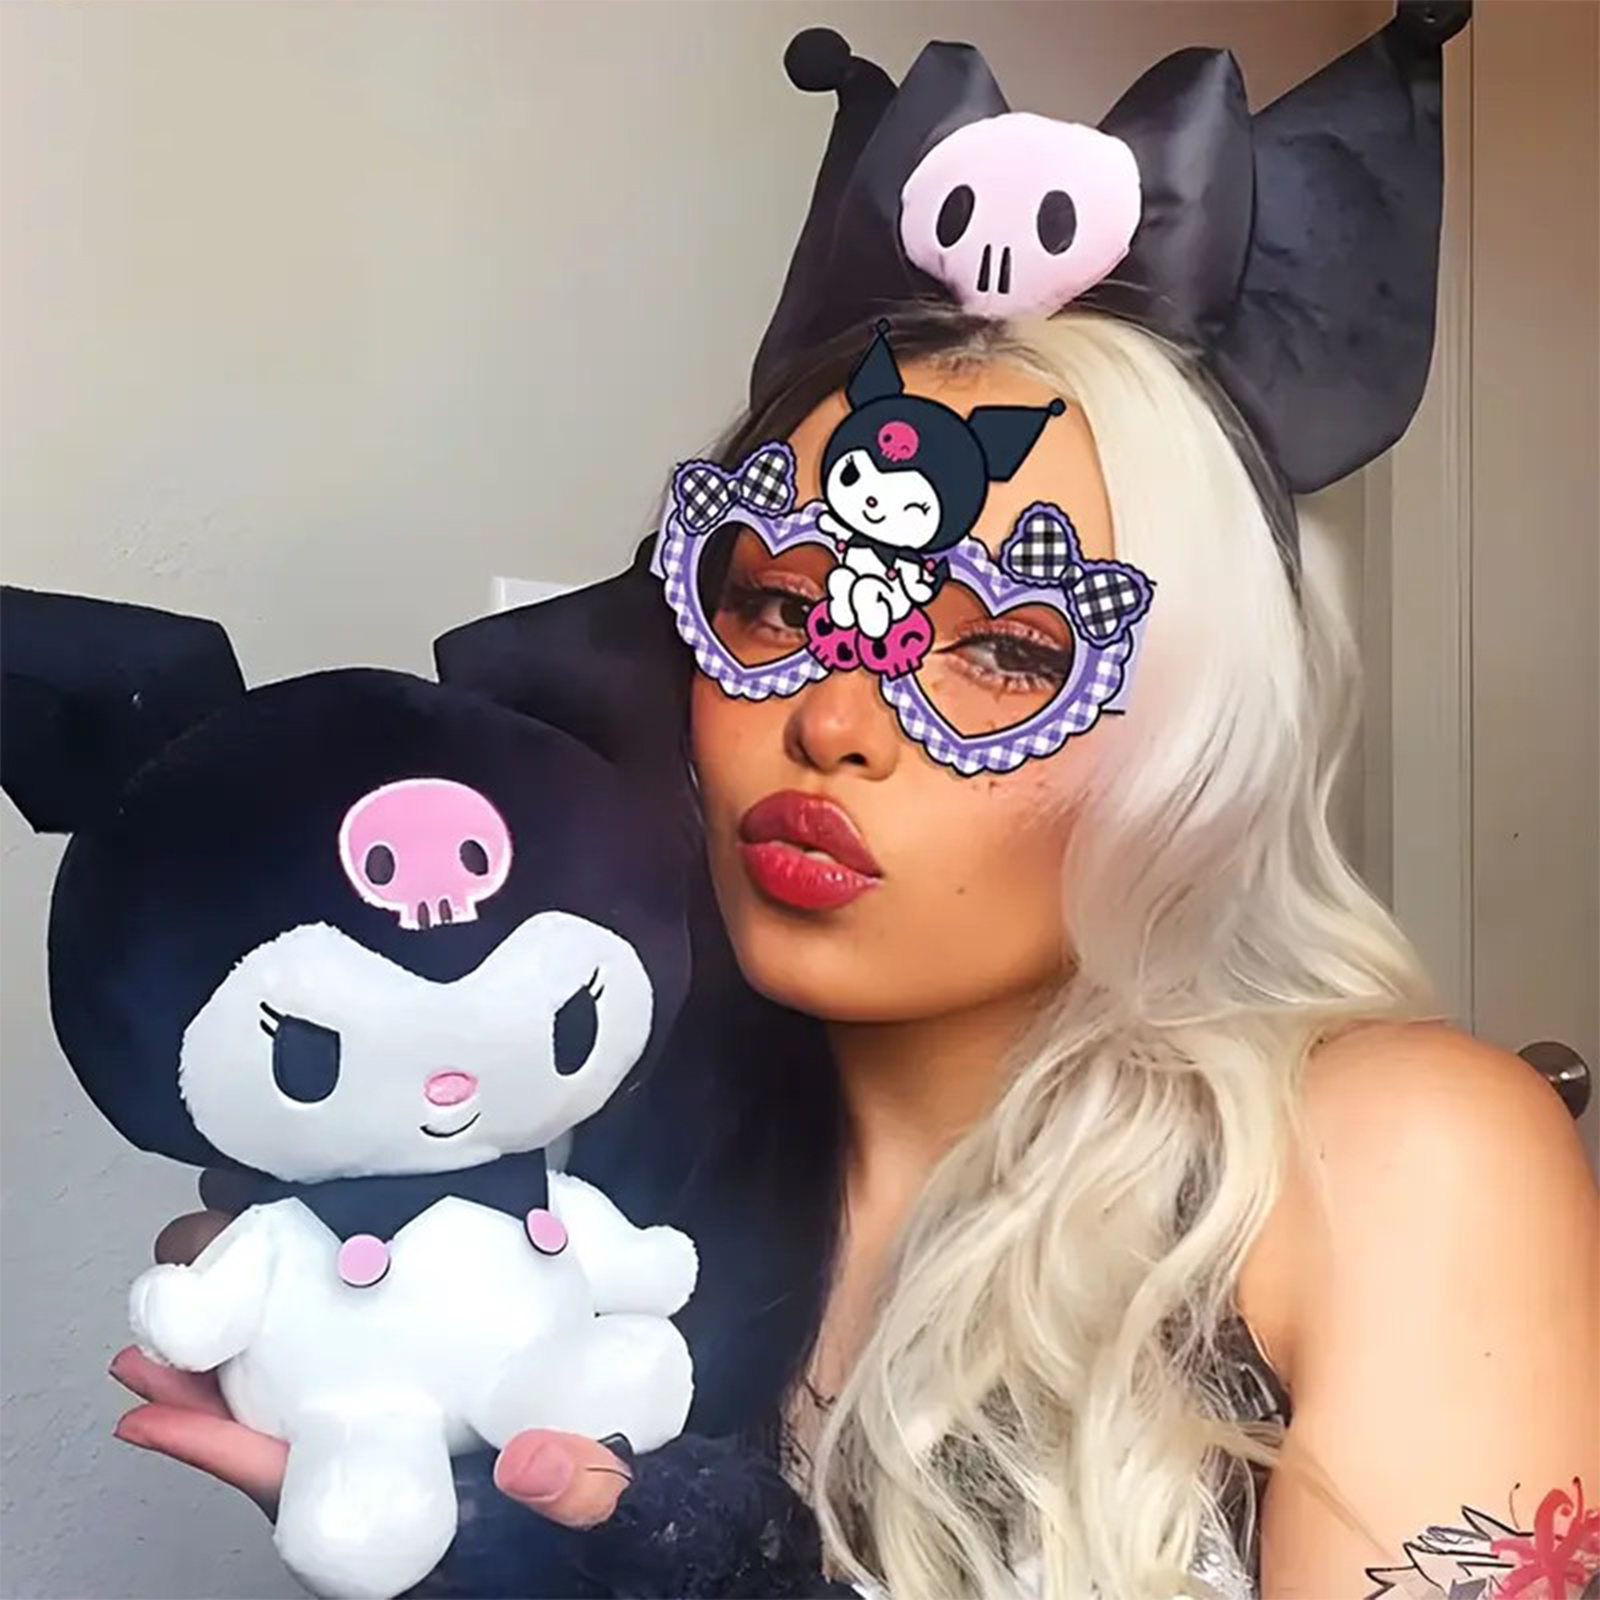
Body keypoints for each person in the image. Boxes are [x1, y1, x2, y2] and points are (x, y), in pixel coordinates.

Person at [108, 14, 1600, 1600]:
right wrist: (456, 1529)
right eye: (773, 607)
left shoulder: (1391, 1165)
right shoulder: (582, 1172)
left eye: (1007, 649)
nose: (831, 720)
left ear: (1201, 737)